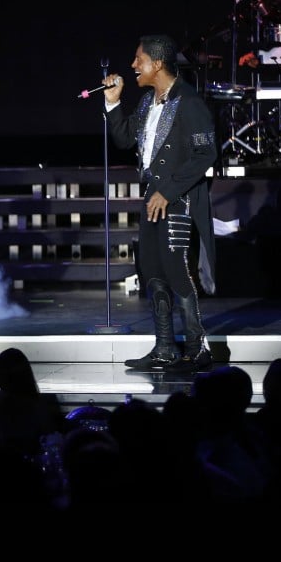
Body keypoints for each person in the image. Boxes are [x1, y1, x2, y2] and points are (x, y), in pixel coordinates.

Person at [102, 34, 218, 372]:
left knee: (176, 270)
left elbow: (205, 153)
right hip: (152, 197)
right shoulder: (147, 103)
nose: (134, 65)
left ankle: (198, 348)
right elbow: (124, 138)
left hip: (176, 199)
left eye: (139, 59)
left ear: (158, 63)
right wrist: (112, 102)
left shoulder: (189, 102)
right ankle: (165, 347)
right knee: (151, 271)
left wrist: (168, 191)